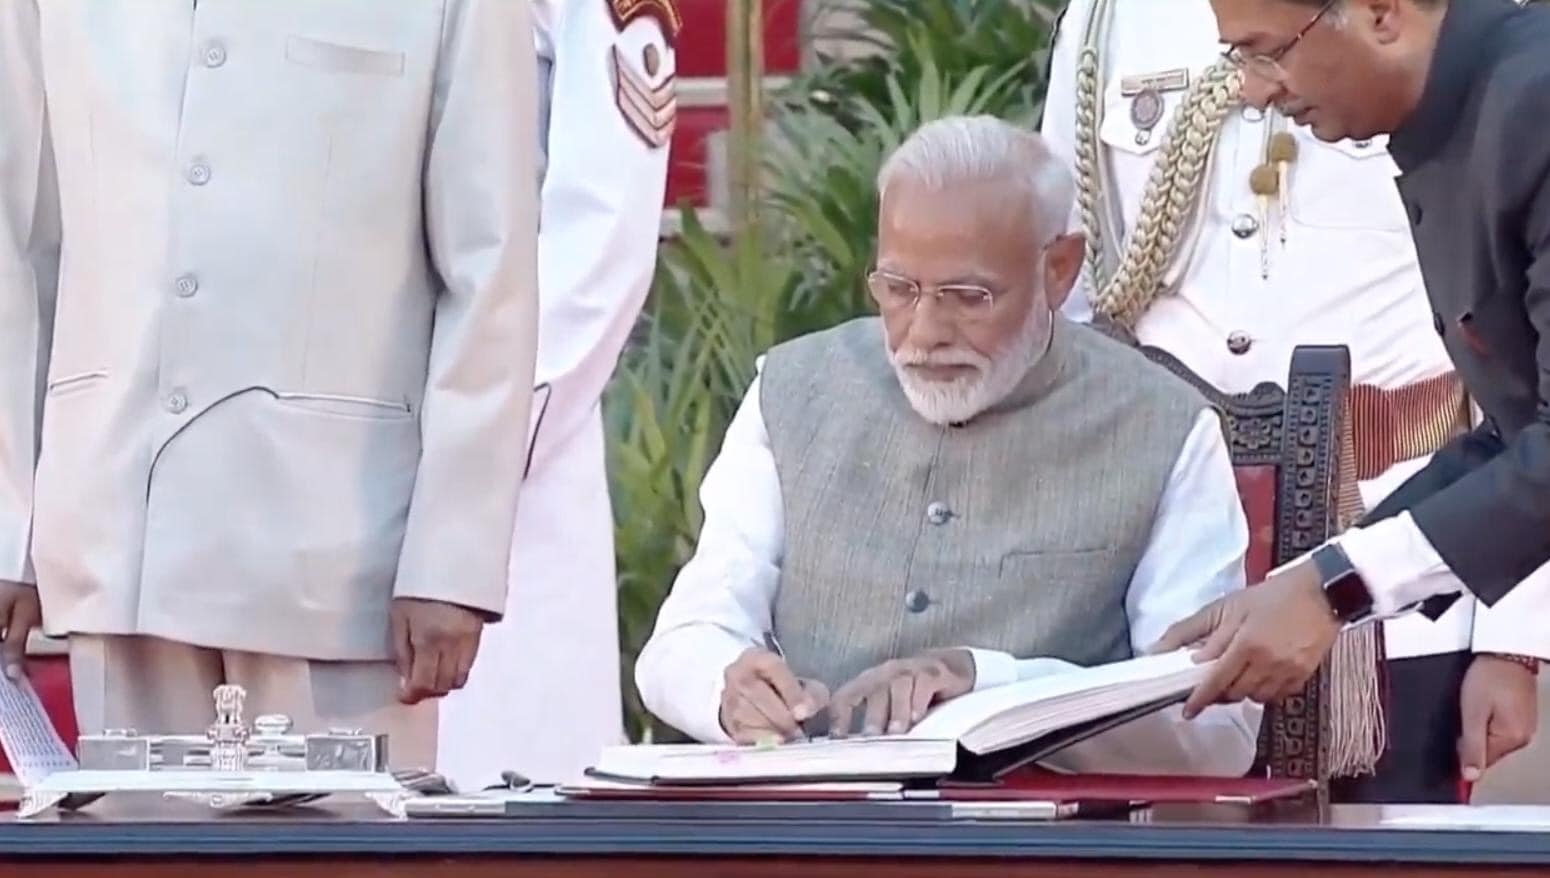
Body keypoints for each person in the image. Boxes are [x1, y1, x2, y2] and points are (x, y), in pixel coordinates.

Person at [0, 1, 540, 769]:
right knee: (135, 836)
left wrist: (451, 561)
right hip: (117, 533)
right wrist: (10, 527)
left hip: (335, 555)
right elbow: (22, 248)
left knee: (342, 837)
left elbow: (489, 277)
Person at [635, 116, 1260, 774]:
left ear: (1058, 270)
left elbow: (1214, 729)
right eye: (898, 290)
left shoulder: (1162, 426)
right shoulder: (792, 389)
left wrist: (990, 681)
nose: (924, 332)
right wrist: (728, 690)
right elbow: (685, 637)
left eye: (968, 296)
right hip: (805, 819)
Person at [1041, 0, 1547, 801]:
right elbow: (1519, 430)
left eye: (1268, 52)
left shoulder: (1524, 100)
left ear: (1381, 15)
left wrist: (1350, 591)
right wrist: (1324, 580)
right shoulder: (1108, 19)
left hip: (1401, 502)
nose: (1253, 88)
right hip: (1193, 541)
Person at [435, 0, 677, 788]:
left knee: (503, 784)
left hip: (507, 464)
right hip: (315, 440)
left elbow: (601, 245)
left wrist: (468, 451)